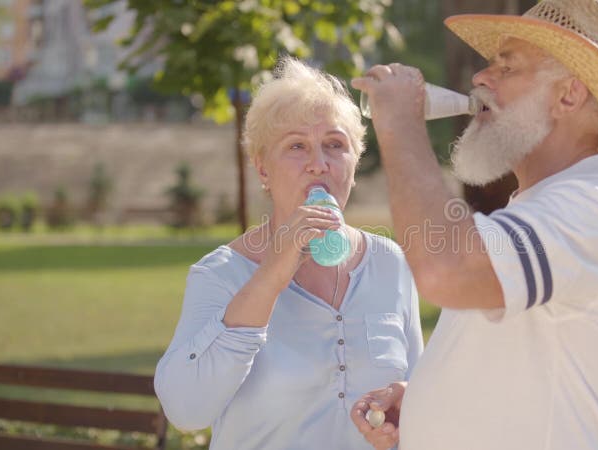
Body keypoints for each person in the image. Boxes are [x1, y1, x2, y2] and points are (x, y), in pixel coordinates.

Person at [349, 0, 598, 449]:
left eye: (507, 67)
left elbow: (447, 270)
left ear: (568, 95)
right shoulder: (542, 208)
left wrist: (400, 123)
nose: (481, 78)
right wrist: (422, 403)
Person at [154, 56, 423, 450]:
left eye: (335, 145)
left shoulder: (389, 262)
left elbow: (419, 393)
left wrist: (407, 403)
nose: (319, 164)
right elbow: (185, 411)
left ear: (354, 161)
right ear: (262, 169)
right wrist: (271, 275)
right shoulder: (220, 274)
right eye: (297, 146)